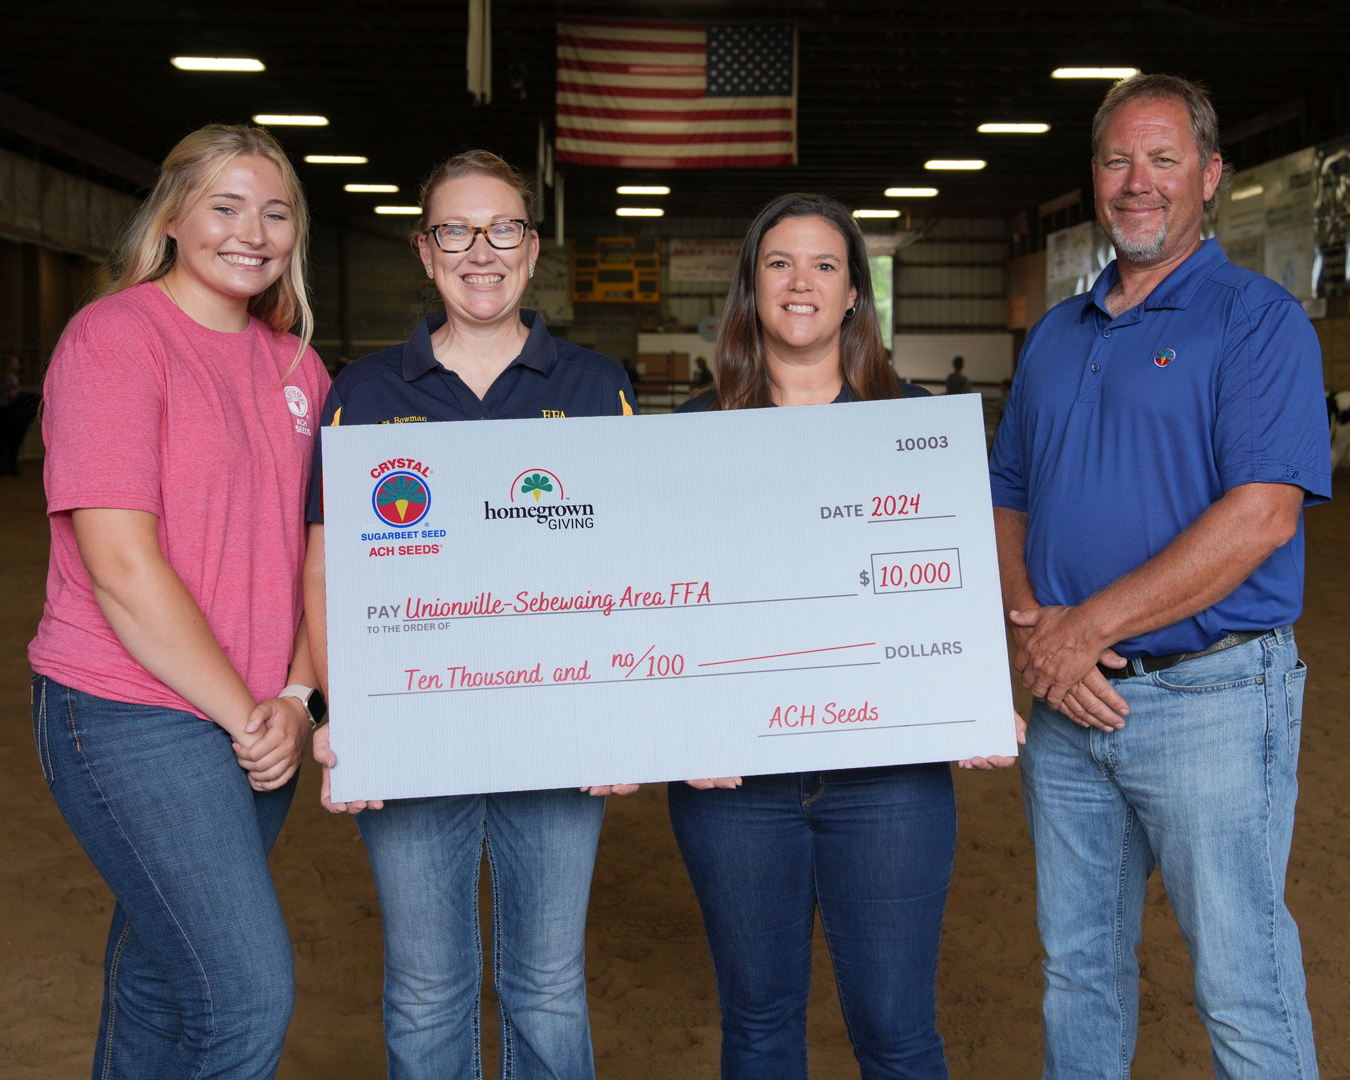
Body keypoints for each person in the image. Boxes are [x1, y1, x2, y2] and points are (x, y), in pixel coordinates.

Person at [989, 74, 1326, 1078]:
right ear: (1094, 178)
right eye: (1116, 161)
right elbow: (1007, 490)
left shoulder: (1257, 321)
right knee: (1079, 971)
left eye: (1164, 159)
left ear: (1211, 177)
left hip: (1211, 699)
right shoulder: (1055, 334)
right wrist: (1030, 631)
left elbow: (1261, 515)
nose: (1139, 183)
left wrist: (1078, 630)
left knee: (1241, 977)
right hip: (1067, 705)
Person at [668, 192, 1021, 1080]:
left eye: (825, 264)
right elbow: (661, 604)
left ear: (856, 293)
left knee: (899, 1032)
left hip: (889, 786)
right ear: (751, 286)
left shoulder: (920, 430)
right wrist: (672, 722)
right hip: (736, 786)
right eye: (779, 262)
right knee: (757, 1027)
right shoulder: (689, 435)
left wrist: (973, 698)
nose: (801, 282)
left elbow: (957, 582)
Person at [303, 150, 638, 1080]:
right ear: (425, 250)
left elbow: (630, 566)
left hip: (558, 732)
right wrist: (347, 717)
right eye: (456, 230)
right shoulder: (364, 396)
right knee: (426, 989)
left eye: (503, 229)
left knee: (546, 986)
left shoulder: (595, 386)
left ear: (533, 251)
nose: (479, 251)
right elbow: (326, 571)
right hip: (415, 735)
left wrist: (623, 716)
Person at [27, 124, 330, 1078]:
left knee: (166, 976)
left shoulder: (297, 368)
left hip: (257, 719)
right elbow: (119, 564)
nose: (253, 231)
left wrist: (295, 697)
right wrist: (248, 712)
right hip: (133, 710)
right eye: (226, 206)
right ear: (170, 218)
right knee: (244, 993)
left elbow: (323, 559)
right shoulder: (115, 339)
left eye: (275, 212)